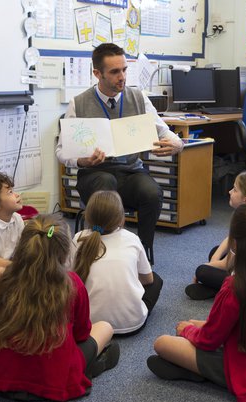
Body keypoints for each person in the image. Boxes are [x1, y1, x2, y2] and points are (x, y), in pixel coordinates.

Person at [146, 203, 246, 402]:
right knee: (197, 323)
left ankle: (203, 373)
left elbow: (208, 341)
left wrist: (187, 331)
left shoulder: (236, 284)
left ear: (236, 243)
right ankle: (195, 369)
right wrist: (200, 326)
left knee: (163, 343)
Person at [55, 42, 184, 257]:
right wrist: (83, 161)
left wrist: (177, 144)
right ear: (97, 73)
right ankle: (100, 248)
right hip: (95, 174)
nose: (122, 76)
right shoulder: (78, 103)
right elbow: (62, 151)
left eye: (124, 69)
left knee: (152, 192)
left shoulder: (138, 97)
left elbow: (163, 130)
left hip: (131, 172)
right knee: (106, 184)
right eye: (114, 72)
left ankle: (142, 252)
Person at [0, 214, 119, 402]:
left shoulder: (6, 279)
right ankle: (90, 365)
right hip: (52, 378)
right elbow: (81, 334)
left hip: (1, 378)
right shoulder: (72, 283)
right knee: (105, 327)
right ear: (63, 251)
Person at [185, 171, 246, 300]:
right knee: (215, 251)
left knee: (201, 271)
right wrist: (215, 259)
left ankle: (223, 292)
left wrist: (206, 266)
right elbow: (230, 239)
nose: (229, 192)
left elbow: (226, 264)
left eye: (235, 190)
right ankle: (219, 290)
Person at [73, 191, 162, 335]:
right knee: (156, 280)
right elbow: (148, 279)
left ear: (87, 215)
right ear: (121, 218)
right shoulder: (132, 238)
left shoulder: (79, 237)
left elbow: (70, 276)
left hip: (88, 323)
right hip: (131, 325)